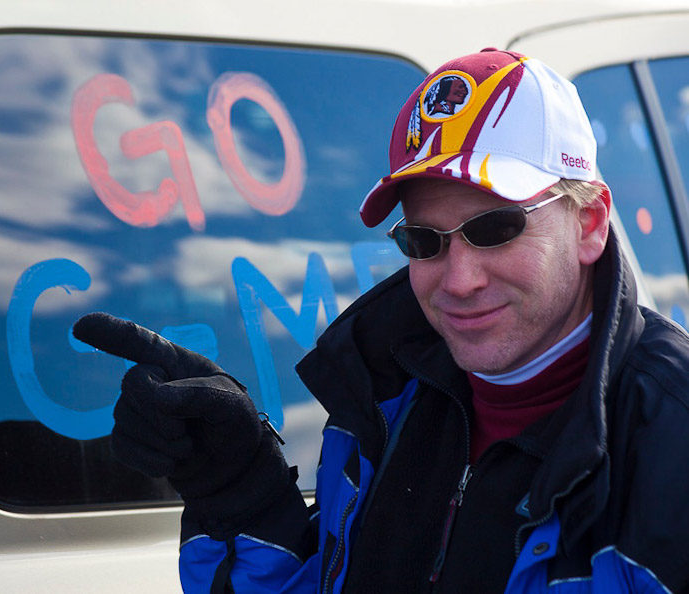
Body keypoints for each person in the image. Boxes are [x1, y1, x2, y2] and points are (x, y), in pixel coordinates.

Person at [73, 48, 689, 593]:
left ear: (589, 224)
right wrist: (242, 493)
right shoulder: (383, 402)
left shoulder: (671, 452)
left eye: (495, 228)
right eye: (424, 241)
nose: (459, 279)